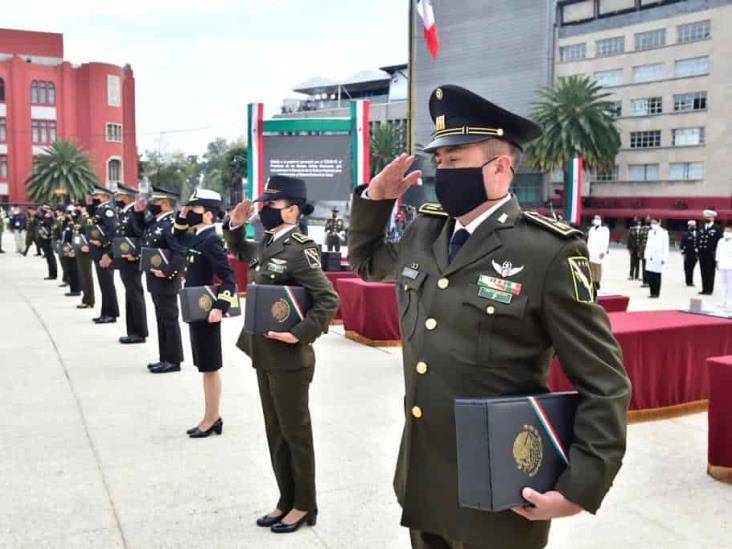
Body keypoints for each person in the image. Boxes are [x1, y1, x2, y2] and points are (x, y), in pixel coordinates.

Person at [347, 85, 631, 549]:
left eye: (455, 161)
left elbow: (605, 382)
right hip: (426, 481)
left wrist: (578, 487)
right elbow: (366, 262)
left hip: (505, 492)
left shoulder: (548, 252)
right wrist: (375, 200)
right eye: (439, 162)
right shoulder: (427, 229)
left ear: (500, 168)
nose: (442, 172)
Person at [223, 176, 339, 534]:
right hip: (265, 353)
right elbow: (241, 251)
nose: (263, 212)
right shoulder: (269, 243)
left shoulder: (299, 249)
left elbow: (328, 299)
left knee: (295, 434)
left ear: (291, 210)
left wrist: (299, 334)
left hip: (289, 358)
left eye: (269, 206)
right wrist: (236, 225)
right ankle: (285, 499)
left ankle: (304, 504)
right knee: (276, 432)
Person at [171, 189, 236, 437]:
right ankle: (211, 416)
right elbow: (176, 239)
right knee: (204, 366)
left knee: (210, 366)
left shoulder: (211, 240)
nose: (190, 213)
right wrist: (182, 216)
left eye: (195, 209)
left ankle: (212, 418)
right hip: (194, 308)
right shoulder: (196, 237)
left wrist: (220, 306)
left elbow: (229, 278)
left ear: (208, 215)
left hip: (207, 310)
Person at [133, 186, 186, 374]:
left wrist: (168, 271)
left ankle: (173, 360)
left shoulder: (171, 225)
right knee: (161, 320)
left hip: (166, 281)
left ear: (165, 204)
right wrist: (138, 214)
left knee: (169, 321)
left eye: (155, 202)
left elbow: (180, 252)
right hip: (155, 281)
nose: (151, 205)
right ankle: (165, 357)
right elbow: (141, 231)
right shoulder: (156, 223)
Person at [114, 183, 148, 344]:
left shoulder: (134, 213)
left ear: (127, 197)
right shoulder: (125, 212)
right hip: (124, 259)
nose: (117, 199)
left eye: (119, 196)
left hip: (132, 260)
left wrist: (135, 254)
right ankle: (132, 330)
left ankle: (139, 332)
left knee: (135, 294)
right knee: (130, 294)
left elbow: (141, 235)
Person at [88, 184, 120, 324]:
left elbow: (113, 230)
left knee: (107, 284)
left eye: (98, 195)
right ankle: (105, 312)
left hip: (104, 252)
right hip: (98, 252)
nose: (95, 198)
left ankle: (110, 314)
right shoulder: (100, 209)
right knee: (103, 284)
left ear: (105, 196)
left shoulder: (107, 210)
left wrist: (104, 243)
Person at [74, 202, 95, 309]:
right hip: (79, 248)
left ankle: (89, 300)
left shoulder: (88, 217)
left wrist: (88, 245)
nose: (76, 208)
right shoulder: (80, 217)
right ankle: (86, 298)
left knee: (86, 275)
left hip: (85, 249)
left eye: (78, 206)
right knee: (82, 275)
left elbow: (91, 231)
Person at [643, 217, 669, 298]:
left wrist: (664, 258)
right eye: (652, 223)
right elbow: (648, 244)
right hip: (650, 257)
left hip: (659, 257)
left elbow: (666, 247)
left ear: (659, 223)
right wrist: (646, 255)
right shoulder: (650, 232)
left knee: (657, 275)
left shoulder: (664, 233)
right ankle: (652, 292)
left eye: (655, 223)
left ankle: (656, 293)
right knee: (650, 275)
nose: (653, 224)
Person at [698, 208, 722, 295]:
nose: (706, 218)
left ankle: (709, 289)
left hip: (711, 254)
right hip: (702, 253)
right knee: (703, 271)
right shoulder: (701, 227)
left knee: (710, 272)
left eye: (709, 216)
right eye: (705, 216)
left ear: (713, 218)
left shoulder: (717, 228)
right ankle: (704, 289)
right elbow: (698, 240)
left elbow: (719, 242)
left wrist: (717, 254)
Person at [60, 205, 81, 297]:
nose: (67, 215)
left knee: (74, 270)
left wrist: (73, 249)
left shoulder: (76, 226)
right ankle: (73, 288)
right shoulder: (68, 224)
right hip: (67, 249)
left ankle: (76, 289)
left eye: (70, 213)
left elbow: (76, 238)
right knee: (70, 270)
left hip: (73, 250)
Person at [586, 215, 609, 291]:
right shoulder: (591, 229)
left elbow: (606, 241)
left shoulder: (604, 229)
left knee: (598, 267)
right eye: (595, 218)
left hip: (599, 251)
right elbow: (589, 240)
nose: (596, 220)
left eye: (598, 218)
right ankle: (593, 281)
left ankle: (597, 282)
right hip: (591, 251)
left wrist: (603, 251)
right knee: (592, 266)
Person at [37, 205, 58, 280]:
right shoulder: (45, 217)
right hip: (44, 240)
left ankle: (53, 274)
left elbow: (53, 228)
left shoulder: (53, 218)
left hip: (49, 240)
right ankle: (51, 274)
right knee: (48, 258)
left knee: (51, 257)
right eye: (47, 209)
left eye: (50, 209)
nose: (48, 211)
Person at [716, 224, 732, 309]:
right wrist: (717, 262)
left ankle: (730, 301)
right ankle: (722, 301)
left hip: (730, 265)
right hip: (722, 264)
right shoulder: (720, 241)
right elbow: (718, 252)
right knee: (723, 284)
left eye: (728, 231)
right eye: (725, 231)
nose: (726, 232)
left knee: (730, 284)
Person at [680, 220, 699, 287]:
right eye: (690, 225)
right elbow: (682, 243)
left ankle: (690, 281)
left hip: (695, 254)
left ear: (695, 226)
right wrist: (682, 250)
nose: (692, 227)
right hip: (687, 253)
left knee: (692, 267)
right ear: (688, 226)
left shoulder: (698, 233)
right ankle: (688, 282)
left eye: (693, 225)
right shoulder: (685, 234)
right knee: (687, 268)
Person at [639, 216, 651, 288]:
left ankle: (649, 281)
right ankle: (645, 281)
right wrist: (640, 251)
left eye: (648, 220)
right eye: (647, 219)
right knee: (644, 266)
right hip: (644, 250)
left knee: (649, 266)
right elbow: (640, 241)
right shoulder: (642, 229)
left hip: (649, 250)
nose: (647, 220)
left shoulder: (652, 229)